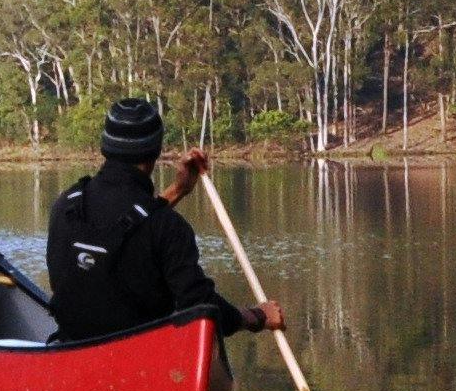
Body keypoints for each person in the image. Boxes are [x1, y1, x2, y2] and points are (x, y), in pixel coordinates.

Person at [47, 95, 284, 343]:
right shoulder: (168, 227)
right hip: (139, 357)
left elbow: (128, 227)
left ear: (104, 146)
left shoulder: (67, 203)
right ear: (155, 150)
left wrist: (179, 190)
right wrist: (256, 316)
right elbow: (201, 308)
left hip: (69, 349)